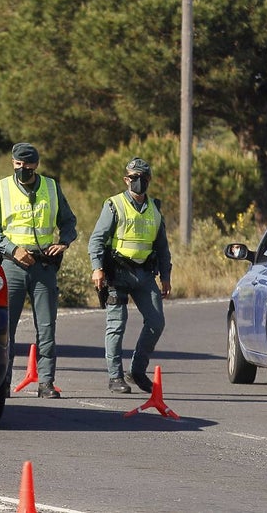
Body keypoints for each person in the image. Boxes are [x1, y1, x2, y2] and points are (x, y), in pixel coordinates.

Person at [0, 143, 77, 398]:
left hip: (43, 266)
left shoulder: (51, 187)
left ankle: (46, 382)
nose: (23, 168)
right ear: (13, 163)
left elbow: (68, 221)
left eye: (28, 164)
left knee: (46, 327)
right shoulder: (1, 189)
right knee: (6, 327)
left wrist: (64, 242)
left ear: (36, 164)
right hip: (12, 265)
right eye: (18, 164)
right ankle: (3, 380)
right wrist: (12, 249)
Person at [88, 157, 172, 394]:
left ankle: (136, 371)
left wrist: (166, 276)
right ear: (126, 179)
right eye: (134, 178)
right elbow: (97, 239)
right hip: (118, 273)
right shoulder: (114, 205)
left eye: (143, 178)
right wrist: (97, 268)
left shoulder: (154, 208)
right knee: (116, 325)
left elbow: (162, 246)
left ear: (149, 180)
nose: (138, 181)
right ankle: (115, 377)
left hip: (145, 274)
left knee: (156, 322)